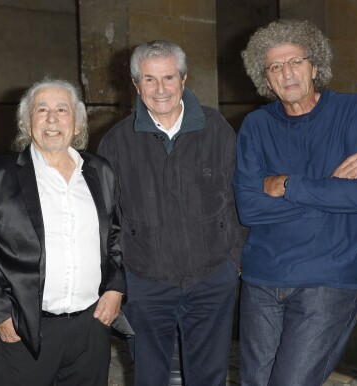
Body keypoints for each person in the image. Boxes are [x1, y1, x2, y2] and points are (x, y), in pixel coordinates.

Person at [233, 19, 357, 386]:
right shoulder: (255, 125)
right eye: (275, 67)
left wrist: (285, 184)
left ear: (315, 66)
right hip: (263, 277)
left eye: (295, 61)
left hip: (328, 277)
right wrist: (330, 187)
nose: (287, 74)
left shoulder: (354, 112)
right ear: (265, 79)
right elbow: (248, 207)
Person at [0, 78, 128, 386]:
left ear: (77, 124)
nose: (52, 118)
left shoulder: (101, 171)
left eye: (62, 109)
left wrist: (116, 288)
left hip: (91, 326)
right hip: (26, 329)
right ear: (26, 122)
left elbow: (115, 237)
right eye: (42, 109)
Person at [98, 40, 246, 386]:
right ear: (136, 85)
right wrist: (121, 279)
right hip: (147, 283)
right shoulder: (117, 141)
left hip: (211, 279)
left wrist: (233, 258)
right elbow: (107, 220)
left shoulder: (216, 129)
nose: (160, 89)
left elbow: (239, 194)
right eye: (149, 79)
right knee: (149, 377)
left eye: (168, 78)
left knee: (208, 377)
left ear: (183, 79)